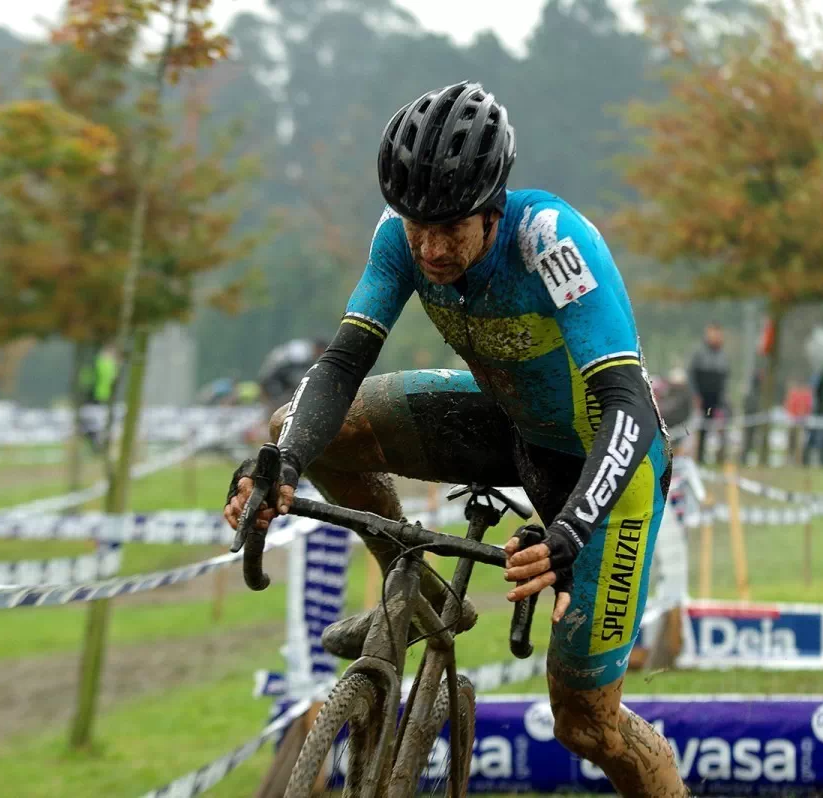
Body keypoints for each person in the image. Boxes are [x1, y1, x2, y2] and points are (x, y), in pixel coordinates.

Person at [222, 82, 686, 796]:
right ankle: (426, 591)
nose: (432, 248)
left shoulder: (551, 243)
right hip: (507, 424)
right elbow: (344, 361)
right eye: (418, 228)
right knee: (301, 429)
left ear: (494, 209)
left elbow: (628, 408)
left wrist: (567, 534)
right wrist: (280, 464)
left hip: (606, 473)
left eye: (452, 229)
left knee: (588, 727)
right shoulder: (398, 238)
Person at [687, 323, 729, 465]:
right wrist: (695, 395)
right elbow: (691, 375)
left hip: (718, 398)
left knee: (721, 427)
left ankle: (720, 458)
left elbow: (725, 377)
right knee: (702, 428)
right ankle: (700, 458)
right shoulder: (699, 353)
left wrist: (724, 396)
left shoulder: (723, 355)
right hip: (703, 398)